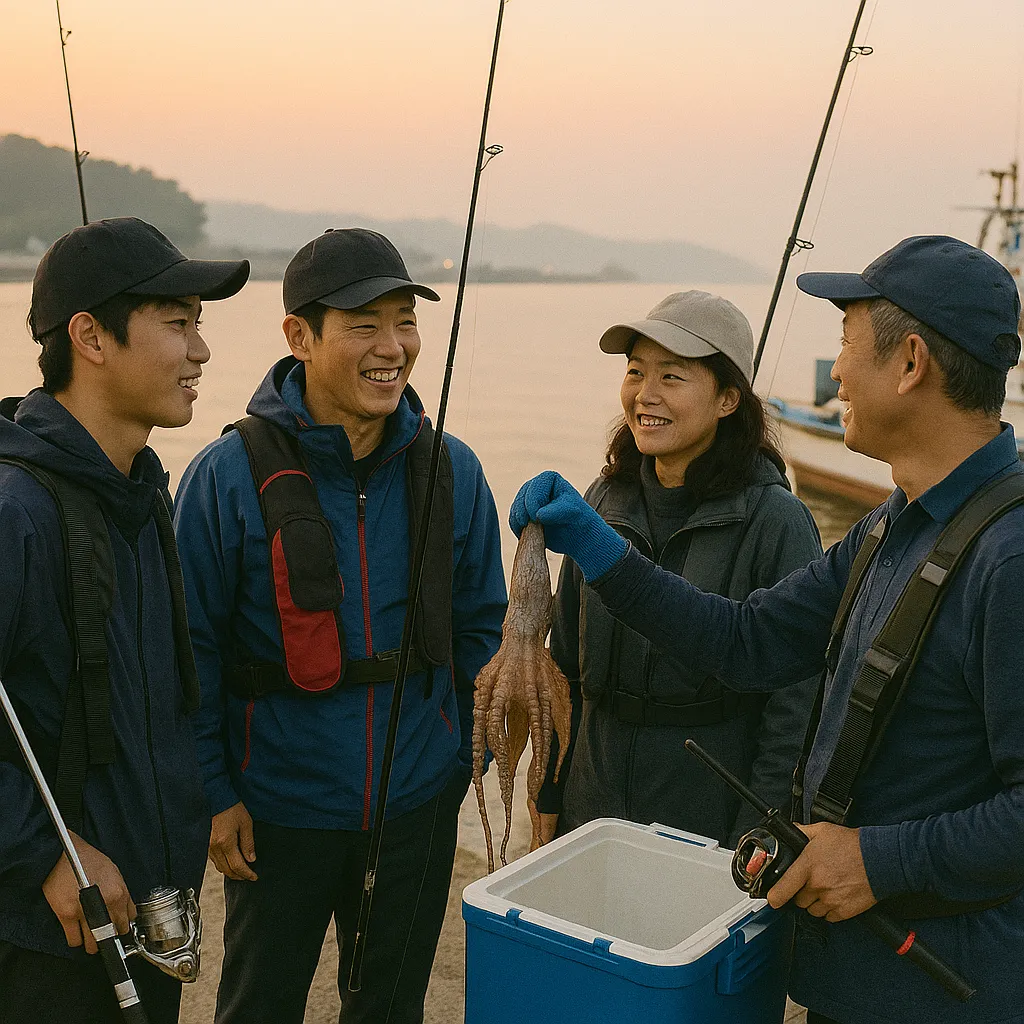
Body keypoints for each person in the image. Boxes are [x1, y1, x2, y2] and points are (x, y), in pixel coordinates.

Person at [512, 236, 1024, 1024]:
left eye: (847, 343)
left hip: (946, 988)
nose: (838, 371)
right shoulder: (894, 524)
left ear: (911, 362)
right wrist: (598, 546)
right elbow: (746, 642)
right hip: (850, 979)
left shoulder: (1009, 555)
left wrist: (876, 860)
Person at [173, 227, 507, 1024]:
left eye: (405, 321)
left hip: (419, 802)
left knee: (391, 1007)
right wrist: (215, 793)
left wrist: (464, 752)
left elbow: (484, 628)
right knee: (259, 1003)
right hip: (277, 806)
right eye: (364, 324)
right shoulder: (225, 475)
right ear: (299, 334)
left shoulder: (453, 468)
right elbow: (188, 652)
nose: (392, 347)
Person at [0, 217, 249, 1024]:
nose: (201, 352)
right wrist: (44, 851)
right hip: (44, 942)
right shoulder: (16, 510)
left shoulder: (142, 493)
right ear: (90, 338)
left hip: (142, 916)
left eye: (198, 324)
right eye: (178, 324)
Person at [536, 291, 820, 848]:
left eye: (672, 377)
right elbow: (562, 665)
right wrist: (550, 793)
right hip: (591, 804)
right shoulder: (599, 503)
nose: (645, 394)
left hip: (707, 814)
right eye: (636, 371)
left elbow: (796, 707)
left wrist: (760, 829)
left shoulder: (777, 521)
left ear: (728, 399)